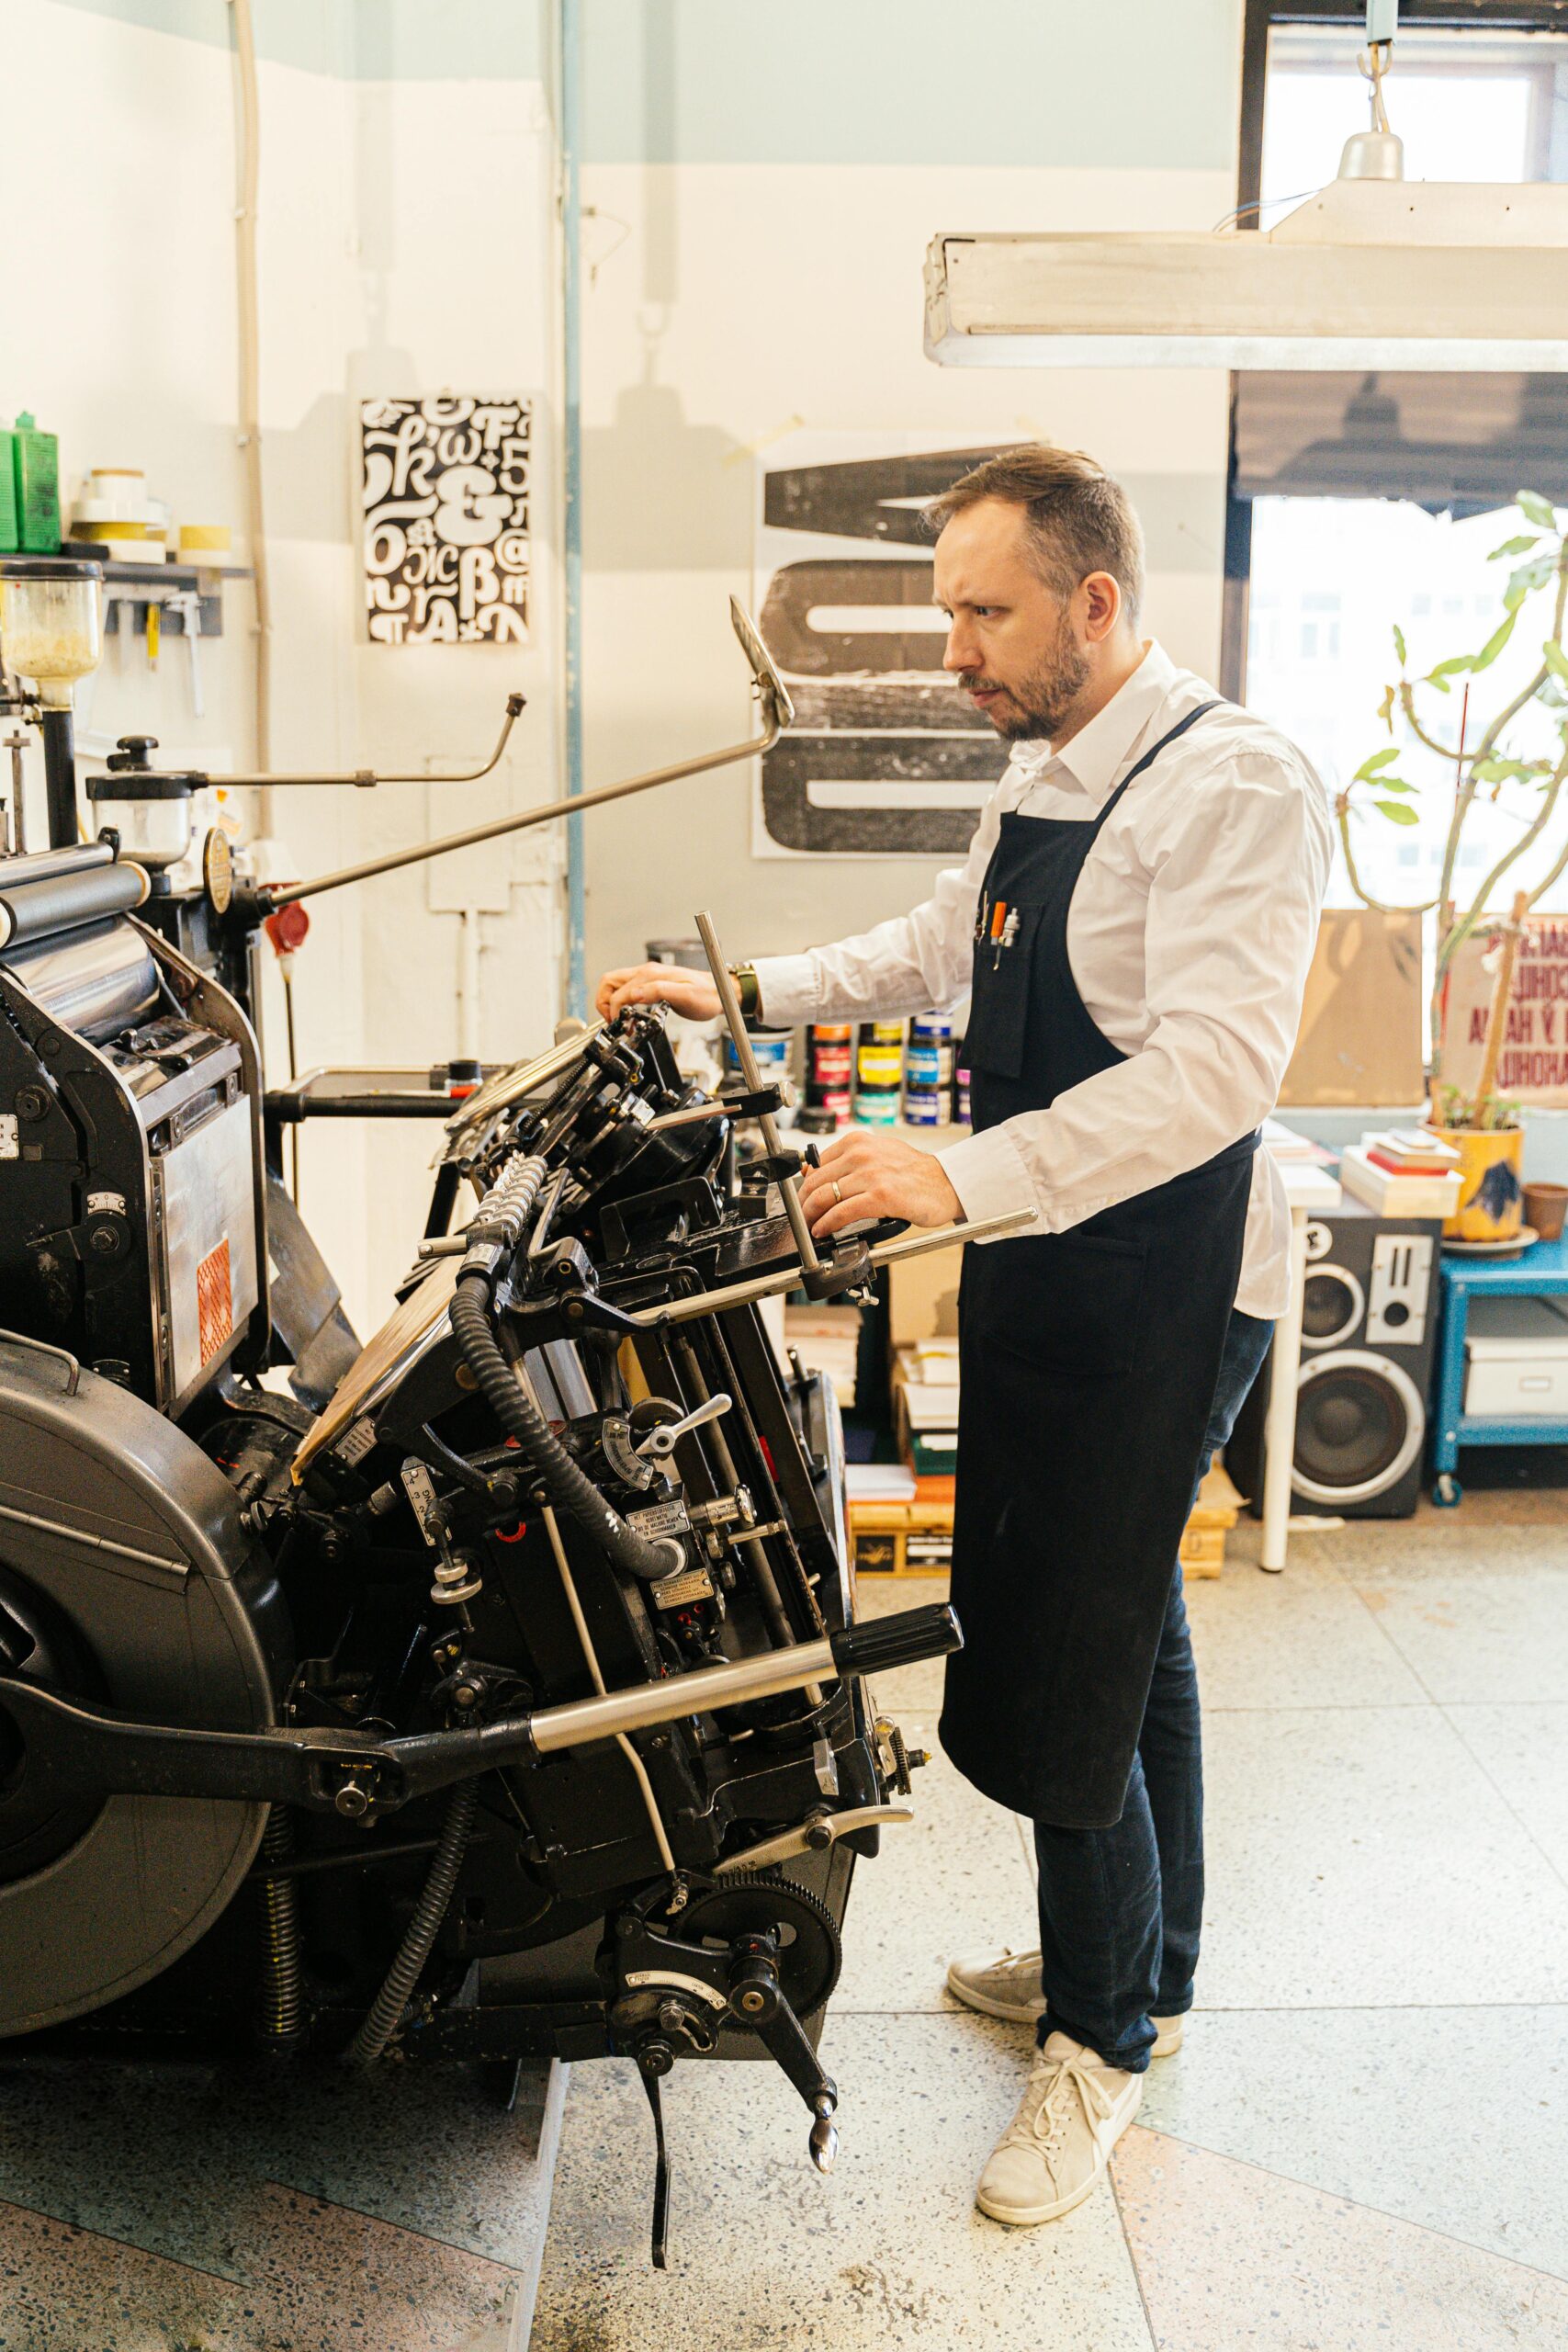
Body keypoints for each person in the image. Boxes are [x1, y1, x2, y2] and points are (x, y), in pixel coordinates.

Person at [596, 445, 1332, 2229]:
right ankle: (1147, 1961)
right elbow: (949, 946)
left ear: (1093, 600)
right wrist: (744, 992)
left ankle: (1096, 2039)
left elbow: (1220, 1071)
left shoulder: (1229, 780)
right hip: (1050, 1250)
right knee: (1126, 1610)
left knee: (1074, 1643)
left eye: (981, 611)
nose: (953, 650)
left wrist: (950, 1166)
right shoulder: (1041, 775)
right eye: (943, 610)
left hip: (1170, 1272)